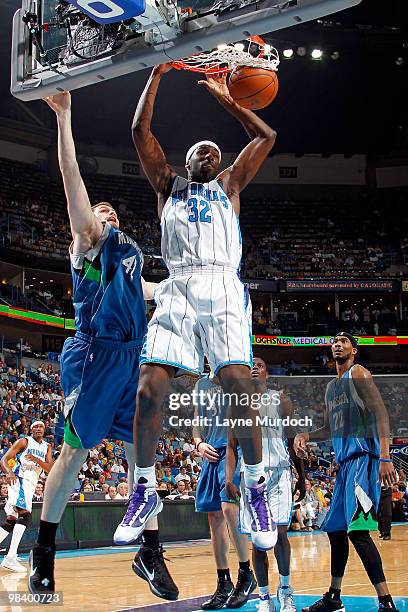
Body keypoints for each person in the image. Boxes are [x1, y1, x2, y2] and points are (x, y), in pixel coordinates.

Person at [115, 62, 277, 600]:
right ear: (184, 162)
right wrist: (156, 73)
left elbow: (266, 134)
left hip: (225, 288)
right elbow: (140, 132)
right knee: (149, 388)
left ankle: (254, 487)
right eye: (199, 151)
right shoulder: (168, 186)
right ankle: (143, 489)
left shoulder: (231, 183)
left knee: (236, 384)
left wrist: (224, 97)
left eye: (213, 150)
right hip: (179, 286)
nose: (207, 153)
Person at [28, 91, 155, 598]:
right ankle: (44, 552)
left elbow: (161, 293)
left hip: (130, 360)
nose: (107, 213)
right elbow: (71, 176)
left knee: (138, 456)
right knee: (74, 456)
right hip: (94, 355)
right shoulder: (87, 241)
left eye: (111, 211)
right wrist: (65, 117)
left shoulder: (130, 258)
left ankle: (149, 552)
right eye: (100, 210)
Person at [294, 332, 399, 612]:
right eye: (334, 341)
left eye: (343, 341)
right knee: (336, 531)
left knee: (358, 532)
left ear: (354, 349)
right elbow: (328, 429)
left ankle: (386, 602)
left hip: (364, 461)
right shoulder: (331, 388)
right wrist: (305, 435)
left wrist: (385, 457)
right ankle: (334, 597)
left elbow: (380, 414)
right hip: (345, 469)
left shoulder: (359, 374)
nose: (337, 344)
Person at [227, 357, 305, 612]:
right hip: (249, 477)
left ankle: (285, 592)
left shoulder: (280, 399)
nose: (254, 368)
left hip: (279, 473)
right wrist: (229, 477)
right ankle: (263, 598)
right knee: (259, 542)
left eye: (259, 365)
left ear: (267, 374)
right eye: (250, 365)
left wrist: (301, 477)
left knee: (280, 533)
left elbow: (293, 440)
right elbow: (231, 445)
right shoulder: (237, 403)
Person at [193, 371, 257, 610]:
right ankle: (224, 583)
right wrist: (198, 443)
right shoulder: (201, 384)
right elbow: (196, 421)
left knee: (229, 507)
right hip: (210, 451)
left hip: (234, 449)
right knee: (214, 517)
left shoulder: (237, 373)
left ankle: (246, 573)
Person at [0, 422, 52, 573]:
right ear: (31, 430)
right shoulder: (24, 441)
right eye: (35, 427)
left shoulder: (47, 446)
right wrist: (9, 472)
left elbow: (50, 469)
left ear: (44, 429)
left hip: (31, 483)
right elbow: (4, 459)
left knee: (11, 520)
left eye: (40, 427)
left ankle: (10, 557)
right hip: (19, 479)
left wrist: (37, 460)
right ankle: (10, 558)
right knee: (26, 516)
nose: (38, 429)